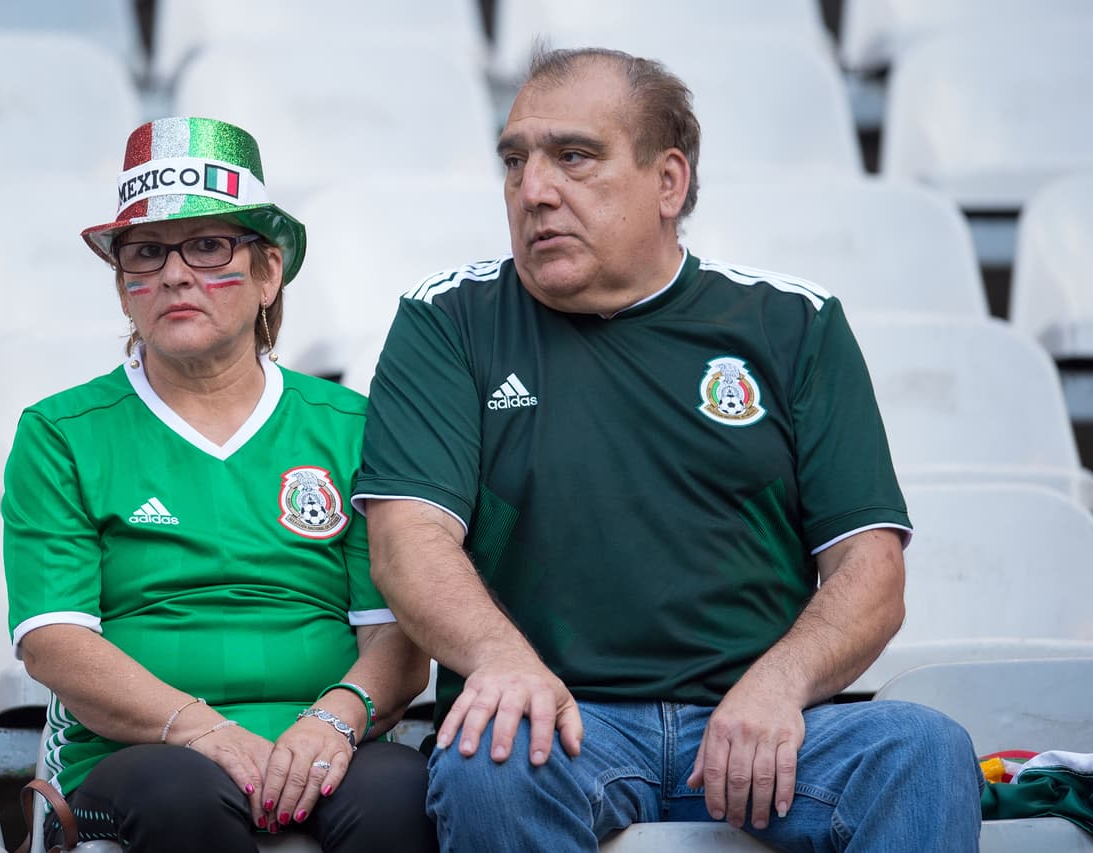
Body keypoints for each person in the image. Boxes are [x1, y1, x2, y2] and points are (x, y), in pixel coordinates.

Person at [354, 48, 985, 850]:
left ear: (669, 182)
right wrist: (499, 660)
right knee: (489, 761)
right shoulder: (448, 319)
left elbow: (872, 570)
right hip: (560, 727)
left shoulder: (792, 321)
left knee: (922, 750)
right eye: (515, 160)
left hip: (760, 720)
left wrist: (779, 686)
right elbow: (406, 540)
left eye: (573, 156)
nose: (534, 190)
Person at [2, 116, 437, 853]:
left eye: (208, 246)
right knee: (187, 798)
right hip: (139, 755)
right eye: (146, 253)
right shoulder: (61, 431)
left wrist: (334, 717)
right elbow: (55, 643)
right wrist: (203, 728)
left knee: (402, 793)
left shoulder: (351, 426)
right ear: (124, 288)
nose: (175, 273)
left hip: (331, 743)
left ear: (270, 272)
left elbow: (398, 632)